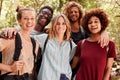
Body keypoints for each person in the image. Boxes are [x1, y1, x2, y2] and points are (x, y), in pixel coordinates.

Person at [61, 1, 110, 78]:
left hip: (84, 68)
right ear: (67, 14)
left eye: (76, 12)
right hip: (68, 67)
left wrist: (104, 31)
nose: (73, 13)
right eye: (71, 12)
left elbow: (95, 34)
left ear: (80, 13)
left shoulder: (85, 30)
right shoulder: (63, 29)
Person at [71, 8, 116, 80]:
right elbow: (73, 65)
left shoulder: (110, 44)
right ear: (87, 25)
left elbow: (108, 68)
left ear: (102, 24)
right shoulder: (81, 44)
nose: (93, 24)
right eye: (90, 22)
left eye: (96, 21)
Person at [32, 14, 76, 80]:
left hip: (63, 78)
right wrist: (14, 29)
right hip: (46, 77)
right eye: (58, 23)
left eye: (63, 23)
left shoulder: (71, 45)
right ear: (53, 25)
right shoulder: (45, 38)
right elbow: (26, 36)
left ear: (67, 26)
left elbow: (68, 62)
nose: (61, 26)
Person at [0, 6, 39, 80]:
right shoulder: (11, 37)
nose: (29, 21)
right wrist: (10, 68)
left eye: (32, 18)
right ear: (19, 21)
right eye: (25, 18)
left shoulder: (35, 44)